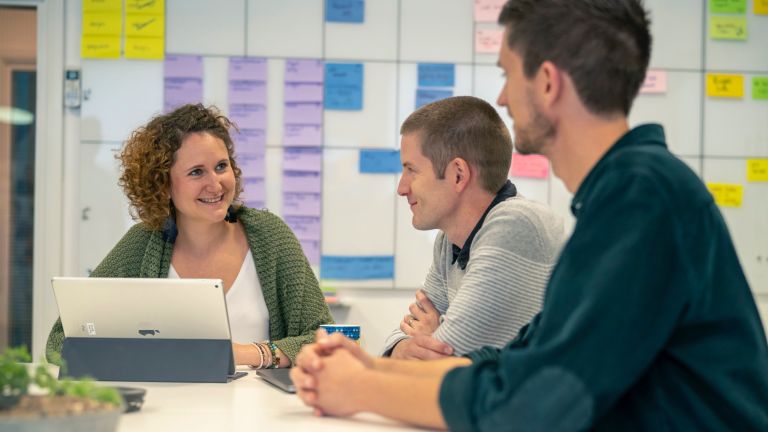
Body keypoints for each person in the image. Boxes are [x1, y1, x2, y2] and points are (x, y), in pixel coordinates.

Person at [290, 0, 768, 429]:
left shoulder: (643, 197)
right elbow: (518, 363)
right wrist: (371, 366)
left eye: (506, 74)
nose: (502, 99)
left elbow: (533, 407)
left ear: (546, 82)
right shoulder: (624, 196)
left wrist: (359, 387)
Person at [46, 104, 333, 368]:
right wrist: (142, 354)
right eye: (197, 172)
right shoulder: (144, 244)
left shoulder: (270, 236)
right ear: (164, 184)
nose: (215, 183)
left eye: (221, 166)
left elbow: (327, 340)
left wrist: (245, 354)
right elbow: (62, 340)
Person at [382, 96, 564, 360]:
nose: (401, 188)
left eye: (412, 170)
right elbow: (410, 342)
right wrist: (401, 348)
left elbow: (443, 366)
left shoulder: (515, 224)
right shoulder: (449, 240)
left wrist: (434, 338)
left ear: (458, 174)